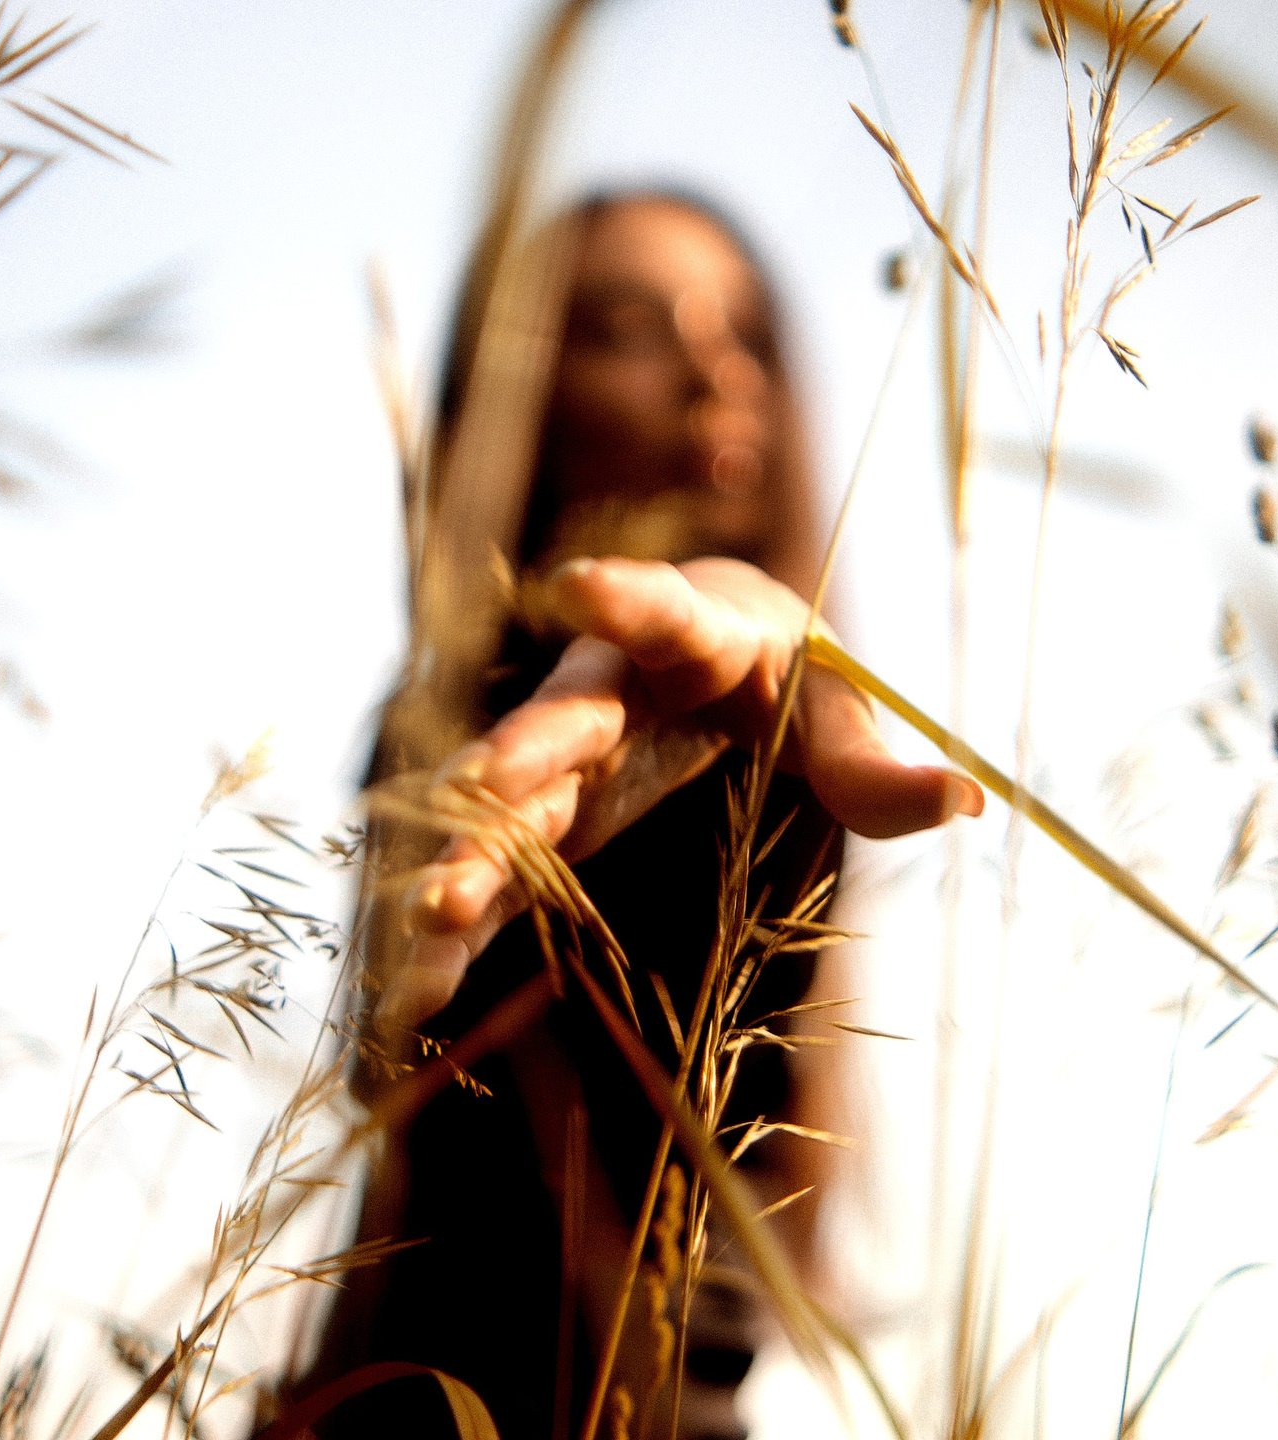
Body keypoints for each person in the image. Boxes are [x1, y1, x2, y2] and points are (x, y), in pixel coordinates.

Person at [306, 192, 977, 1440]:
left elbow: (732, 628)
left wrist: (746, 631)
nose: (713, 371)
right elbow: (378, 1055)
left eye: (748, 334)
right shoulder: (449, 732)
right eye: (630, 327)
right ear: (519, 401)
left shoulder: (774, 724)